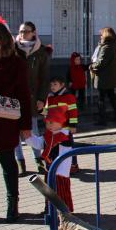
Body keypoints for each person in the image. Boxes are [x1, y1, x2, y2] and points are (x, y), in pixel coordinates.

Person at [0, 16, 32, 222]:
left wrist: (25, 125)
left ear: (3, 40)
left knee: (7, 162)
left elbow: (24, 95)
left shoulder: (15, 63)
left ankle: (12, 203)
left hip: (5, 120)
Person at [23, 77, 76, 212]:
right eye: (47, 123)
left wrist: (72, 126)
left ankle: (64, 210)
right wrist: (28, 138)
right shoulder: (48, 133)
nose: (48, 125)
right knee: (49, 186)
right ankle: (50, 209)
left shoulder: (64, 137)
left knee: (60, 185)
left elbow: (72, 112)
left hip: (59, 173)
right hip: (49, 170)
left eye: (55, 84)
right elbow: (40, 143)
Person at [14, 21, 49, 176]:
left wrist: (42, 98)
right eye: (21, 31)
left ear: (34, 32)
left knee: (32, 130)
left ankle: (39, 161)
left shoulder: (40, 52)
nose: (22, 34)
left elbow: (44, 77)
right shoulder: (12, 49)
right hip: (13, 98)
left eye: (26, 31)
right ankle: (20, 162)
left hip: (32, 98)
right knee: (14, 131)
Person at [90, 27, 116, 126]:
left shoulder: (107, 47)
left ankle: (102, 119)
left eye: (101, 35)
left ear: (105, 35)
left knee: (101, 99)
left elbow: (101, 62)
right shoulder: (114, 45)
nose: (100, 37)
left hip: (104, 77)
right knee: (112, 97)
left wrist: (92, 66)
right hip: (111, 76)